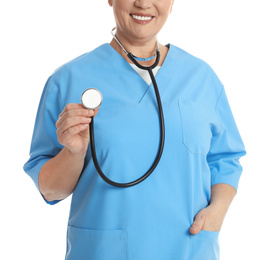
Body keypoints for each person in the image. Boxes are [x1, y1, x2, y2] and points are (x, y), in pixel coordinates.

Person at [24, 0, 246, 259]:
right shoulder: (68, 80)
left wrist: (218, 211)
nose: (143, 3)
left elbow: (224, 159)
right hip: (104, 251)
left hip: (189, 248)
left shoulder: (201, 78)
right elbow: (50, 189)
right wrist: (73, 153)